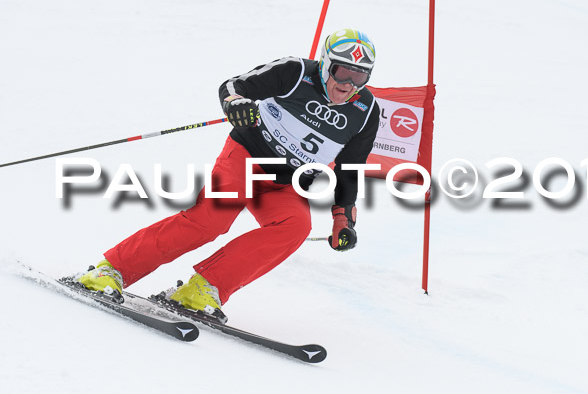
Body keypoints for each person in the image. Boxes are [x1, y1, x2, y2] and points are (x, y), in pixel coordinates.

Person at [75, 28, 380, 322]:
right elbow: (236, 85)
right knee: (211, 220)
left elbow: (350, 169)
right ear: (327, 63)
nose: (349, 83)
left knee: (295, 227)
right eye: (343, 72)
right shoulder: (295, 72)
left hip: (286, 185)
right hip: (246, 157)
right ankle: (109, 270)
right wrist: (236, 103)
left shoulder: (366, 112)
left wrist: (343, 219)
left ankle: (203, 289)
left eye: (360, 76)